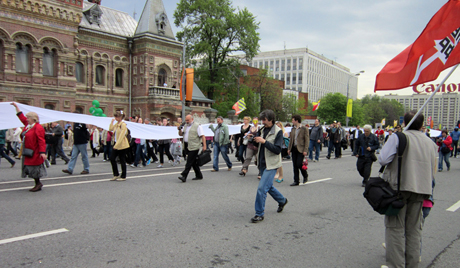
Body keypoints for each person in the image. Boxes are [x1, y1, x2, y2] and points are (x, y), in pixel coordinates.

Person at [378, 111, 437, 268]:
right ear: (422, 125)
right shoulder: (430, 142)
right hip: (421, 189)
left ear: (405, 123)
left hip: (399, 187)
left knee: (395, 229)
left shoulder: (399, 137)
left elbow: (383, 159)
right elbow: (433, 170)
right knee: (414, 230)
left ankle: (396, 265)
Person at [249, 109, 288, 223]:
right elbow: (259, 143)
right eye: (262, 119)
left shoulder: (278, 131)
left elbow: (277, 150)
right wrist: (254, 139)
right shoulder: (262, 129)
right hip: (262, 163)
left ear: (271, 119)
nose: (262, 122)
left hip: (271, 164)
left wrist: (264, 141)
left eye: (264, 120)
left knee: (262, 189)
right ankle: (282, 200)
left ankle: (259, 214)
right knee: (268, 186)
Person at [11, 102, 46, 191]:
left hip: (35, 151)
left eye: (28, 118)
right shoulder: (28, 126)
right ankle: (37, 183)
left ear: (33, 119)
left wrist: (42, 152)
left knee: (34, 168)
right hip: (28, 150)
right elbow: (21, 117)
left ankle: (38, 183)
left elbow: (41, 140)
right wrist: (16, 107)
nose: (26, 119)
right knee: (29, 167)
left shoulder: (38, 127)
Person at [177, 115, 206, 182]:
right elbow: (180, 134)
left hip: (194, 146)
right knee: (193, 162)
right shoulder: (185, 126)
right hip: (187, 145)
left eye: (188, 120)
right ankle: (199, 175)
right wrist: (179, 130)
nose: (187, 121)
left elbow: (202, 136)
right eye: (186, 120)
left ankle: (184, 175)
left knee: (189, 161)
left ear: (192, 119)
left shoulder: (197, 126)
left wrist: (204, 146)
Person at [287, 115, 309, 186]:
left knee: (299, 164)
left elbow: (307, 140)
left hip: (301, 149)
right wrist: (289, 148)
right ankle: (296, 181)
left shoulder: (304, 129)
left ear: (296, 121)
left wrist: (305, 150)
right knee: (294, 165)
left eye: (293, 120)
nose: (292, 121)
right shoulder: (293, 129)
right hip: (294, 148)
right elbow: (291, 140)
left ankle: (305, 175)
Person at [109, 110, 130, 181]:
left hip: (122, 145)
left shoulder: (123, 124)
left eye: (117, 116)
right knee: (112, 158)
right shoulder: (117, 124)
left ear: (120, 117)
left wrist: (116, 145)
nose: (116, 118)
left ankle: (123, 176)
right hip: (116, 143)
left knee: (122, 160)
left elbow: (121, 135)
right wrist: (112, 122)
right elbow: (110, 128)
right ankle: (116, 174)